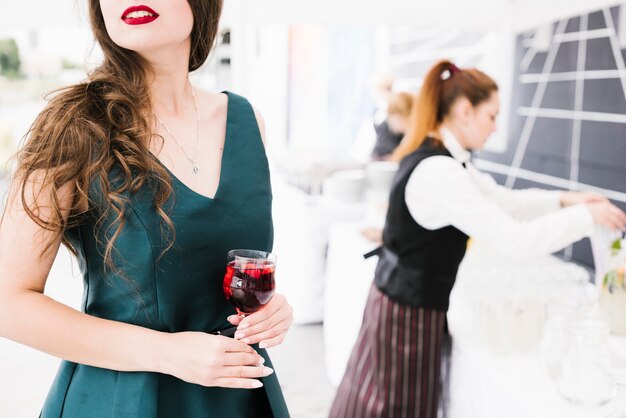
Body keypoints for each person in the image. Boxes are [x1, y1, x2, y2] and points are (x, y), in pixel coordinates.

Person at [0, 1, 293, 417]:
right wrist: (167, 352)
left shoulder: (248, 121)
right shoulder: (72, 127)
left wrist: (269, 311)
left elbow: (227, 265)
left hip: (237, 392)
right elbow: (7, 301)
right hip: (125, 399)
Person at [329, 60, 626, 418]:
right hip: (406, 314)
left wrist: (567, 200)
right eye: (492, 116)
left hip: (405, 303)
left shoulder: (448, 159)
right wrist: (585, 217)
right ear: (465, 111)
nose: (495, 127)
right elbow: (515, 240)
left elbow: (503, 201)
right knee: (391, 408)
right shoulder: (440, 171)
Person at [371, 91, 413, 160]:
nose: (389, 120)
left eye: (390, 114)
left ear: (398, 115)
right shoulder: (409, 137)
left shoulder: (411, 139)